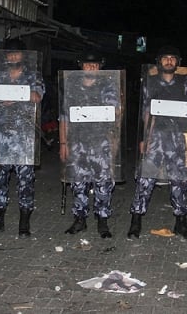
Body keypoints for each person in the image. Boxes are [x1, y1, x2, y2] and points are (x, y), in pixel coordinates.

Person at [128, 45, 187, 239]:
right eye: (165, 58)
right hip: (155, 136)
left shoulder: (185, 81)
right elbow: (145, 112)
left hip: (176, 137)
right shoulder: (150, 81)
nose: (169, 61)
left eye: (172, 58)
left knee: (179, 180)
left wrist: (167, 108)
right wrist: (144, 138)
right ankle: (136, 220)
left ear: (177, 62)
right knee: (145, 178)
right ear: (159, 62)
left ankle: (181, 222)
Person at [0, 39, 45, 237]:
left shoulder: (33, 76)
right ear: (5, 56)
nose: (13, 57)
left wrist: (15, 95)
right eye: (10, 54)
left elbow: (36, 96)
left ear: (23, 56)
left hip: (23, 138)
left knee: (25, 181)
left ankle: (24, 223)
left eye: (17, 53)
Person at [60, 52, 123, 238]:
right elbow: (64, 117)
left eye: (95, 64)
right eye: (88, 64)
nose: (91, 67)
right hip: (78, 141)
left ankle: (102, 220)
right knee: (78, 182)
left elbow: (116, 115)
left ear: (100, 66)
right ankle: (80, 220)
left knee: (103, 182)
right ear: (81, 66)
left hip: (100, 141)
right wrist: (63, 142)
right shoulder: (71, 88)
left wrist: (115, 143)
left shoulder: (108, 86)